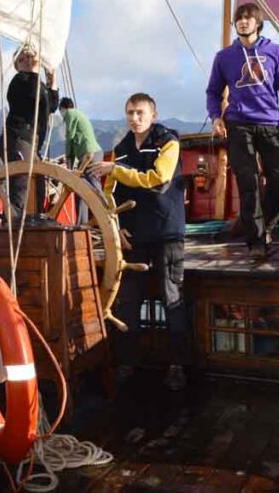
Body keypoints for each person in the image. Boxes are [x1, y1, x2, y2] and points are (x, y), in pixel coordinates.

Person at [92, 93, 189, 390]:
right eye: (130, 113)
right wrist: (116, 225)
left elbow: (159, 179)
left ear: (153, 115)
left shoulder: (168, 141)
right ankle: (128, 361)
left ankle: (178, 366)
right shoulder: (121, 149)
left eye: (140, 113)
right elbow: (110, 194)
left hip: (166, 234)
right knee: (127, 301)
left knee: (172, 298)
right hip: (133, 237)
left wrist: (116, 170)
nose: (134, 118)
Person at [205, 2, 279, 260]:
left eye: (248, 18)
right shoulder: (224, 57)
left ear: (258, 23)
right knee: (248, 184)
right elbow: (213, 91)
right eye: (239, 18)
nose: (243, 22)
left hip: (270, 123)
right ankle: (256, 241)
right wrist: (216, 117)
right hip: (238, 124)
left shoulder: (275, 52)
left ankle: (266, 225)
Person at [0, 47, 58, 223]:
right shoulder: (20, 81)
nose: (28, 59)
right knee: (22, 183)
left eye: (32, 56)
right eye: (23, 59)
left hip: (31, 141)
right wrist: (34, 71)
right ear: (16, 65)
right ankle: (14, 224)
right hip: (17, 138)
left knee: (38, 182)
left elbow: (51, 107)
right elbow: (32, 97)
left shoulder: (37, 83)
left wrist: (52, 82)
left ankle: (35, 221)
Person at [59, 97, 100, 224]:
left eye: (61, 112)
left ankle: (107, 212)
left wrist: (69, 164)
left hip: (90, 155)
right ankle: (82, 224)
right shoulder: (79, 114)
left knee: (94, 188)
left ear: (63, 109)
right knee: (83, 188)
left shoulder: (70, 114)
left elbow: (70, 137)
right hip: (93, 154)